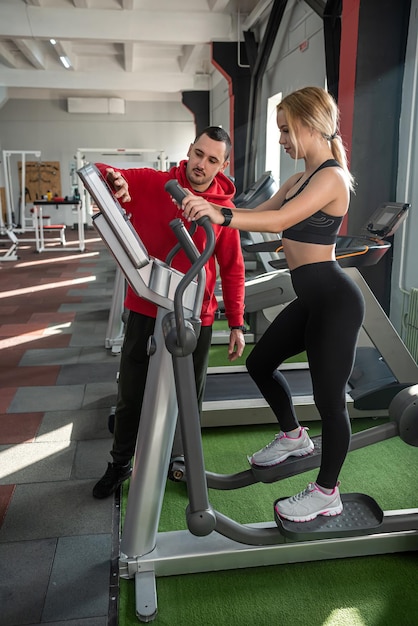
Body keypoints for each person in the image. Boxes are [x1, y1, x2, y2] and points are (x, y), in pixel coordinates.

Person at [178, 87, 365, 523]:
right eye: (279, 130)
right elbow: (259, 215)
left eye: (285, 130)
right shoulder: (299, 178)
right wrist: (205, 207)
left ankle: (326, 492)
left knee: (330, 401)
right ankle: (293, 435)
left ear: (311, 124)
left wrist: (221, 215)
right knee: (259, 364)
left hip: (335, 301)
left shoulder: (331, 178)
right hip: (311, 297)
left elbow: (280, 221)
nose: (281, 139)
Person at [93, 126, 246, 499]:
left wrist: (238, 322)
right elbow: (99, 170)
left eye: (212, 159)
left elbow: (233, 267)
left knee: (187, 398)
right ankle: (119, 463)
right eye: (198, 154)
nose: (201, 164)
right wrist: (115, 181)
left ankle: (182, 460)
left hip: (196, 316)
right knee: (130, 393)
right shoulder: (153, 182)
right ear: (189, 151)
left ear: (223, 165)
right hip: (146, 307)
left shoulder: (224, 212)